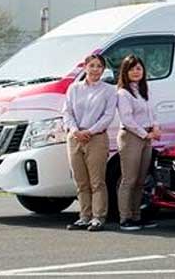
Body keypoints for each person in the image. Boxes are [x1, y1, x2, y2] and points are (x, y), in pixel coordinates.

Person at [60, 54, 117, 231]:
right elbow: (67, 112)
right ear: (85, 67)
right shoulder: (74, 88)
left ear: (103, 69)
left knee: (97, 180)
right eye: (92, 66)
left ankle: (98, 217)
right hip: (75, 137)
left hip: (96, 137)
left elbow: (108, 115)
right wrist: (75, 130)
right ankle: (84, 216)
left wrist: (90, 131)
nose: (95, 69)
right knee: (80, 181)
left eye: (99, 66)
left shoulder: (109, 90)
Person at [115, 55, 161, 231]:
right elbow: (127, 120)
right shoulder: (123, 93)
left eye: (139, 68)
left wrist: (155, 128)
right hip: (131, 137)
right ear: (125, 72)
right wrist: (145, 134)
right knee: (129, 179)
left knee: (141, 179)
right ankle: (125, 218)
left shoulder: (143, 90)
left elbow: (152, 113)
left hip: (147, 136)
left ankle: (137, 216)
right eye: (132, 68)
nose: (136, 71)